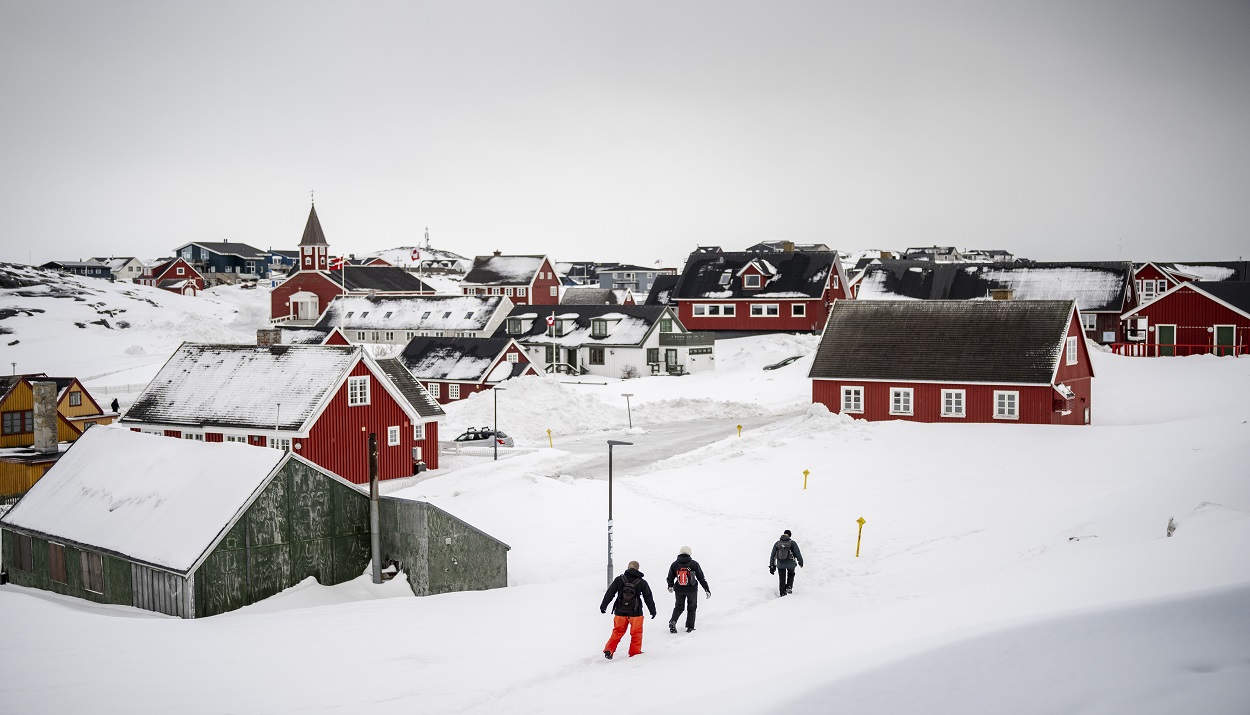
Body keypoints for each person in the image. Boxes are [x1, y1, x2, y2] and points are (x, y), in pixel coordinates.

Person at [599, 560, 657, 659]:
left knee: (617, 631)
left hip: (620, 612)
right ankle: (634, 653)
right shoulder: (641, 582)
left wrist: (603, 605)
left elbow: (610, 593)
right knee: (636, 633)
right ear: (638, 569)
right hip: (636, 613)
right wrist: (652, 611)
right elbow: (648, 597)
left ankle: (609, 649)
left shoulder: (619, 579)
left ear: (627, 567)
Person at [665, 545, 710, 633]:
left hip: (678, 589)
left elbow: (670, 577)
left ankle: (673, 621)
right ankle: (690, 627)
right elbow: (701, 577)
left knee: (679, 607)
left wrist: (670, 586)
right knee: (692, 607)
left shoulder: (675, 564)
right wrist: (706, 589)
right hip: (692, 589)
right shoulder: (694, 564)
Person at [769, 529, 804, 596]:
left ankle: (782, 593)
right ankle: (789, 587)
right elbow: (797, 553)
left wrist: (771, 565)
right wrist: (800, 561)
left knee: (782, 578)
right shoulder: (792, 543)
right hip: (790, 563)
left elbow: (773, 554)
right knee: (791, 574)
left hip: (780, 564)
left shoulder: (777, 543)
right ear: (790, 535)